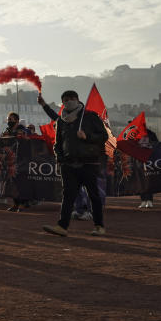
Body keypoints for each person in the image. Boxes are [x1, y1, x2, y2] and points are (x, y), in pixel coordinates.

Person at [43, 90, 108, 237]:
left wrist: (87, 136)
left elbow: (104, 136)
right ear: (63, 102)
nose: (69, 101)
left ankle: (99, 226)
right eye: (66, 99)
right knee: (68, 197)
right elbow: (57, 144)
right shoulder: (61, 121)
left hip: (89, 162)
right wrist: (60, 159)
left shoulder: (90, 116)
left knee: (94, 196)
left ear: (78, 100)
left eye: (72, 98)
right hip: (69, 164)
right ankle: (62, 226)